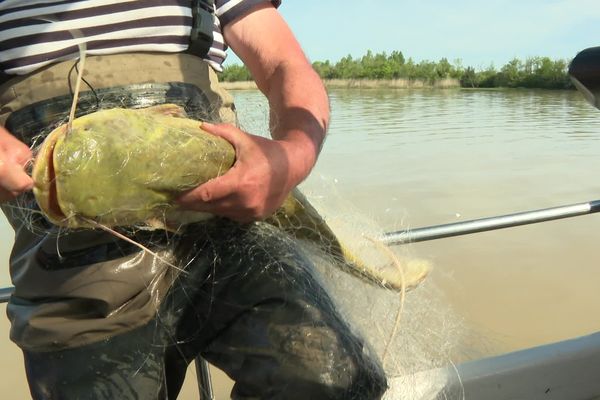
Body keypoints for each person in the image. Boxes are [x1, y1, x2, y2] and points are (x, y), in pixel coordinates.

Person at [0, 1, 387, 399]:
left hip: (233, 232)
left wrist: (292, 157)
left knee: (337, 377)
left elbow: (285, 63)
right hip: (74, 268)